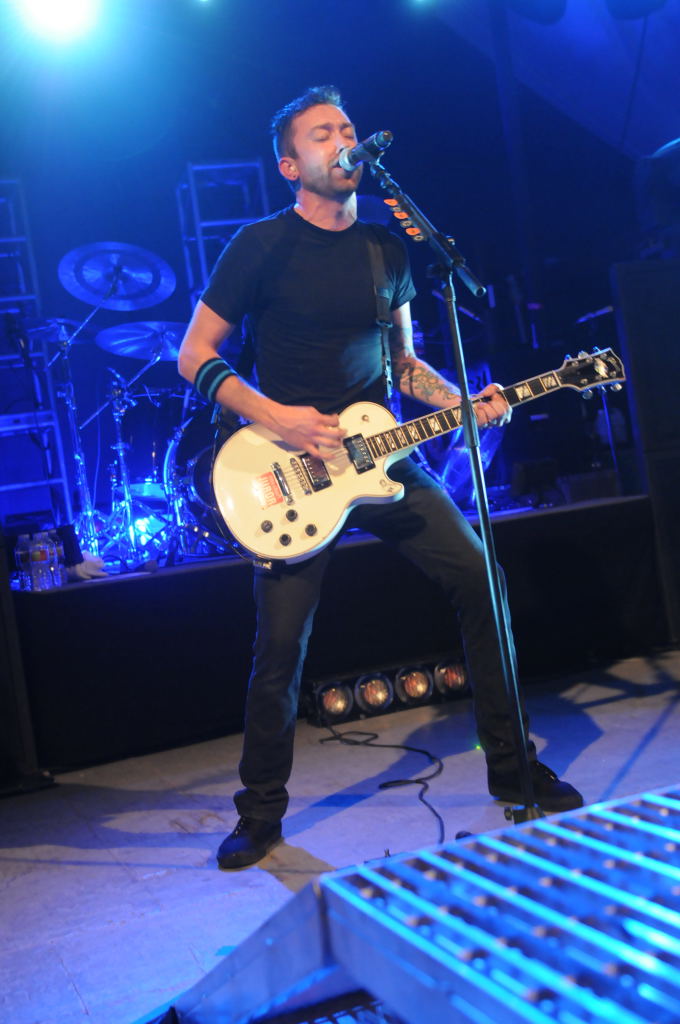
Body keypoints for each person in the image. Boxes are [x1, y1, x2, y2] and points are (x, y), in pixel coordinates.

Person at [178, 85, 583, 870]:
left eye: (347, 127)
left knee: (482, 579)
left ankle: (512, 767)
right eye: (321, 133)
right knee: (281, 645)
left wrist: (463, 403)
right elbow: (193, 354)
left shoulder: (386, 250)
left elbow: (403, 365)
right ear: (290, 164)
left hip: (383, 456)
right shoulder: (260, 245)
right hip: (292, 467)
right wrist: (280, 416)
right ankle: (259, 812)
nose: (343, 139)